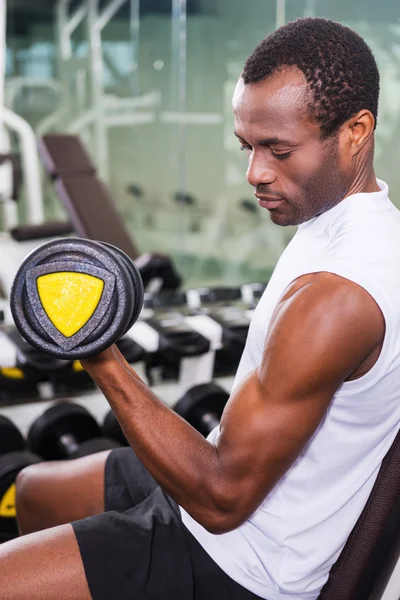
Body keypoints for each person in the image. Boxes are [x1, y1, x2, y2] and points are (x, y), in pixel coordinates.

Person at [1, 16, 399, 600]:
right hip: (232, 470)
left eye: (278, 150)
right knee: (35, 489)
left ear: (356, 131)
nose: (254, 173)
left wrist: (98, 352)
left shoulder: (337, 296)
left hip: (242, 559)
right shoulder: (348, 220)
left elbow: (220, 501)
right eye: (248, 146)